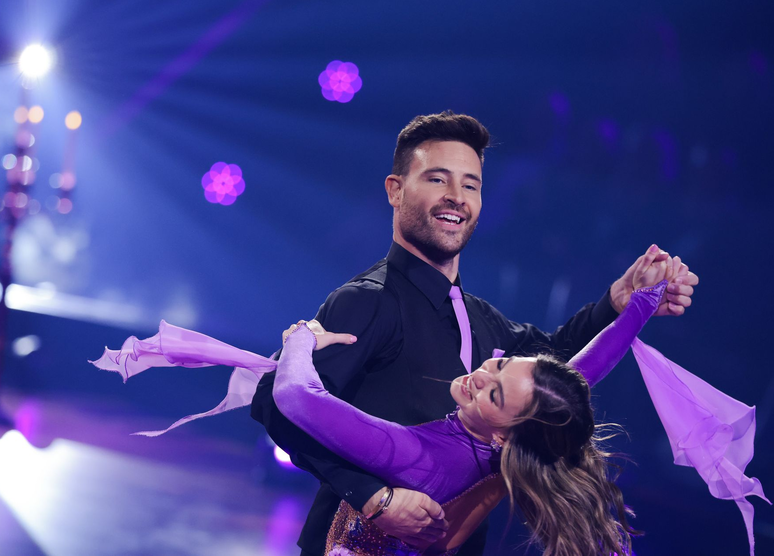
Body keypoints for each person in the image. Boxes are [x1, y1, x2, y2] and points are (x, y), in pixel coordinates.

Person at [249, 112, 699, 556]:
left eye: (470, 185)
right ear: (396, 189)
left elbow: (555, 372)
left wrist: (619, 304)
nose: (455, 197)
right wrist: (373, 497)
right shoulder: (368, 301)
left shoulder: (480, 319)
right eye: (437, 180)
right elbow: (276, 402)